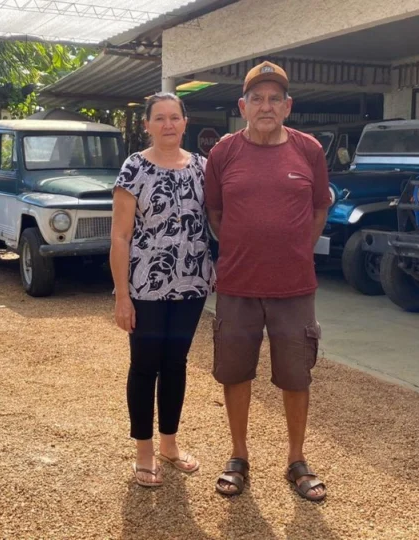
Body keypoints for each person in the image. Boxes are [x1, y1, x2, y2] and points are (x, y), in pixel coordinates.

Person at [205, 61, 330, 502]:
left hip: (294, 287)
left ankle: (296, 459)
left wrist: (295, 248)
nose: (265, 105)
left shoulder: (309, 150)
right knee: (235, 372)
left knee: (296, 376)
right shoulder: (223, 154)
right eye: (257, 98)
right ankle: (238, 455)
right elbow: (216, 214)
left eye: (275, 98)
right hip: (237, 284)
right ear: (242, 105)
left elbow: (319, 208)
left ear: (288, 106)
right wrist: (249, 246)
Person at [110, 92, 215, 488]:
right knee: (144, 365)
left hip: (193, 283)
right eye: (160, 118)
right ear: (147, 125)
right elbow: (120, 237)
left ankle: (169, 444)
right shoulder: (134, 167)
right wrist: (122, 294)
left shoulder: (203, 168)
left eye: (175, 117)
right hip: (146, 286)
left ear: (185, 122)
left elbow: (215, 222)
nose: (168, 124)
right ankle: (144, 450)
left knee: (176, 364)